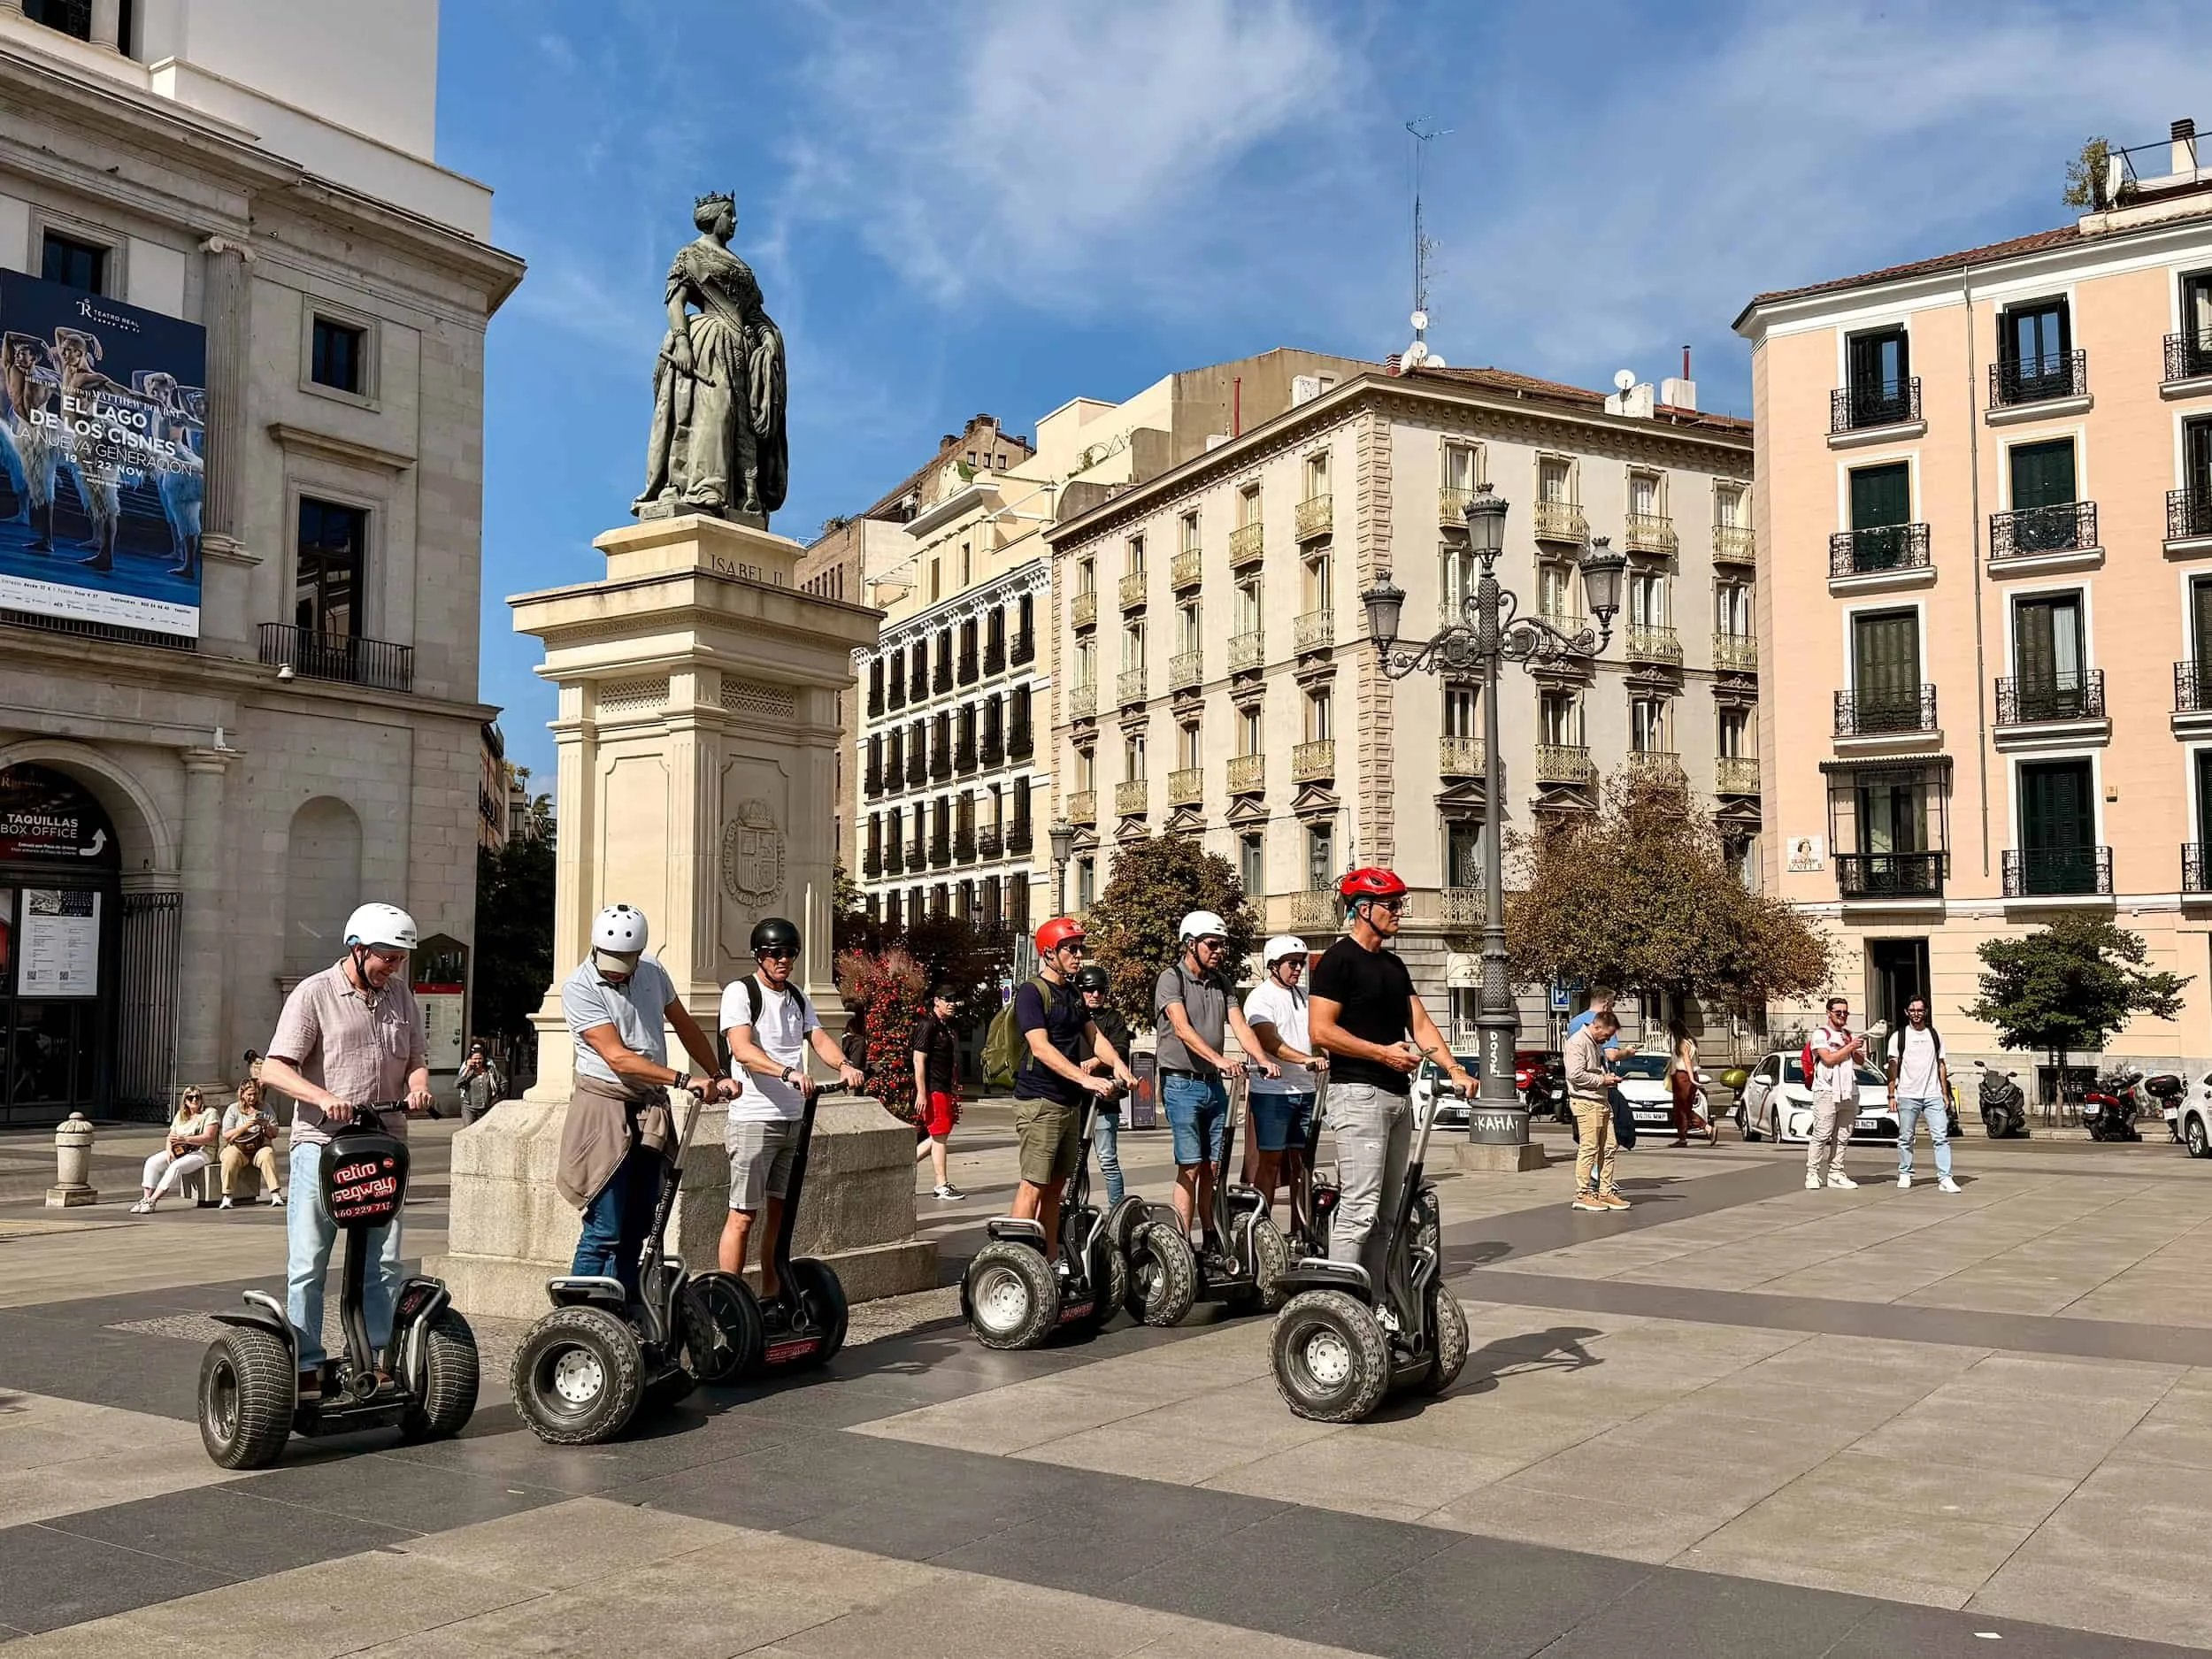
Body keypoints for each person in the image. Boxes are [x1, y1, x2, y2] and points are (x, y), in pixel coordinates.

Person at [258, 904, 436, 1401]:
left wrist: (418, 1086)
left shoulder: (400, 994)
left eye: (400, 958)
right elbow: (273, 1069)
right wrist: (322, 1098)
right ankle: (306, 1364)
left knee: (382, 1263)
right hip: (324, 1146)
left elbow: (418, 1060)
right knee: (309, 1263)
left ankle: (375, 1359)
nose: (394, 967)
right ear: (357, 949)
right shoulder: (314, 994)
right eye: (387, 957)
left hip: (383, 1144)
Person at [556, 904, 735, 1302]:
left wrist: (718, 1072)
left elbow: (685, 1024)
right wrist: (685, 1079)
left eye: (624, 963)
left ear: (638, 955)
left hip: (648, 1105)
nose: (615, 971)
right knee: (606, 1225)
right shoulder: (579, 987)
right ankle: (575, 1317)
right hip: (604, 1106)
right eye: (609, 962)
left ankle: (621, 1306)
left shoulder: (653, 971)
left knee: (640, 1222)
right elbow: (617, 1056)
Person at [1308, 869, 1475, 1280]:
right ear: (1363, 910)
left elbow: (1419, 1024)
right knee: (1359, 1208)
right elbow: (1321, 1031)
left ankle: (1377, 1299)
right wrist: (1383, 1054)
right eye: (1392, 905)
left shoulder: (1394, 965)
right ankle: (1342, 1300)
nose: (1400, 912)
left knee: (1388, 1211)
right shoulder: (1337, 962)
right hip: (1358, 1095)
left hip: (1399, 1098)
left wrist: (1453, 1067)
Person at [718, 917, 864, 1302]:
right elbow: (742, 1049)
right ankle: (727, 1302)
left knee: (780, 1218)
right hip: (753, 1118)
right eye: (775, 954)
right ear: (759, 956)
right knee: (743, 1215)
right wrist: (787, 1072)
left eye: (789, 954)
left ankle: (771, 1297)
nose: (783, 960)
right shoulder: (740, 992)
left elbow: (818, 1037)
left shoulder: (797, 997)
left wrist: (844, 1066)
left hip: (791, 1119)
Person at [1156, 910, 1280, 1250]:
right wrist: (1219, 1059)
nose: (1219, 951)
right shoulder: (1172, 979)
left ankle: (1211, 1236)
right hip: (1181, 1083)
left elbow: (1239, 1025)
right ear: (1190, 944)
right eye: (1213, 944)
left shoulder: (1221, 982)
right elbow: (1181, 1028)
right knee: (1191, 1167)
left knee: (1215, 1165)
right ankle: (1180, 1242)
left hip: (1212, 1085)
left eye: (1222, 945)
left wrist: (1262, 1059)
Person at [1010, 918, 1133, 1262]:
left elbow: (1095, 1038)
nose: (1080, 956)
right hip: (1039, 1102)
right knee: (1033, 1185)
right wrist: (1086, 1079)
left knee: (1055, 1189)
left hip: (1068, 1103)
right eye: (1072, 949)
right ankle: (1017, 1264)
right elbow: (1041, 1048)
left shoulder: (1073, 993)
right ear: (1049, 953)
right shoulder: (1032, 993)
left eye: (1081, 948)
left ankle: (1048, 1261)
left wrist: (1120, 1066)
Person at [1243, 934, 1325, 1220]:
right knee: (1271, 1162)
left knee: (1303, 1164)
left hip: (1305, 1090)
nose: (1298, 969)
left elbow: (1320, 1034)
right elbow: (1268, 1040)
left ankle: (1300, 1229)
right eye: (1292, 964)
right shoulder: (1260, 998)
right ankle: (1260, 1227)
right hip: (1272, 1093)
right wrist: (1307, 1059)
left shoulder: (1304, 996)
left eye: (1301, 964)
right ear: (1274, 965)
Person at [1073, 964, 1133, 1207]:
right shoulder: (1072, 1017)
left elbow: (1120, 1049)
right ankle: (1075, 1208)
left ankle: (1117, 1210)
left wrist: (1096, 1060)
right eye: (1089, 990)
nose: (1095, 995)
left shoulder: (1113, 1019)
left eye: (1100, 990)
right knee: (1076, 1162)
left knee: (1107, 1159)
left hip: (1103, 1102)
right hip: (1075, 1100)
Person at [1887, 996, 1959, 1193]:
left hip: (1933, 1094)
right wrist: (1891, 1095)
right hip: (1908, 1094)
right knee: (1906, 1137)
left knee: (1941, 1136)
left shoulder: (1935, 1035)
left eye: (1920, 1010)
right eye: (1913, 1010)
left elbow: (1941, 1064)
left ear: (1925, 1012)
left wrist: (1945, 1093)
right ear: (1906, 1012)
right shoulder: (1899, 1037)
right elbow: (1893, 1068)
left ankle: (1945, 1177)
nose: (1916, 1014)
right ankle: (1905, 1172)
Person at [1563, 1010, 1628, 1210]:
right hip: (1585, 1101)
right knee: (1589, 1148)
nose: (1607, 1040)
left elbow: (1591, 1071)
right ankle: (1583, 1194)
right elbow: (1575, 1075)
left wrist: (1606, 1078)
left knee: (1609, 1146)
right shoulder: (1577, 1042)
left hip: (1600, 1100)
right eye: (1606, 1035)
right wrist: (1603, 1080)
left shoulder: (1594, 1043)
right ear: (1597, 1026)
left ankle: (1605, 1191)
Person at [1806, 995, 1867, 1191]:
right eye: (1838, 1012)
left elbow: (1860, 1061)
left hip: (1849, 1089)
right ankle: (1812, 1173)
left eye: (1845, 1012)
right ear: (1829, 1013)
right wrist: (1849, 1047)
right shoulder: (1820, 1034)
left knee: (1843, 1135)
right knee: (1822, 1133)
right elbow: (1829, 1059)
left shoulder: (1848, 1034)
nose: (1842, 1016)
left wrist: (1857, 1048)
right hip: (1826, 1090)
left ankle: (1836, 1173)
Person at [910, 983, 964, 1201]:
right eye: (947, 1000)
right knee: (940, 1137)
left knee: (938, 1135)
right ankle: (941, 1185)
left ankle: (903, 1165)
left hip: (942, 1088)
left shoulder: (944, 1026)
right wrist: (922, 1093)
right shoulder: (928, 1025)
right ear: (936, 1001)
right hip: (933, 1089)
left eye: (954, 1000)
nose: (952, 1004)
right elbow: (918, 1059)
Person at [133, 1086, 219, 1213]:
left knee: (176, 1167)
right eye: (190, 1097)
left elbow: (208, 1137)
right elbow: (171, 1137)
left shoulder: (210, 1113)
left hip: (203, 1152)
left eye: (197, 1097)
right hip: (180, 1151)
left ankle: (153, 1200)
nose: (194, 1100)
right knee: (152, 1162)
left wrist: (185, 1139)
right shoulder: (181, 1115)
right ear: (185, 1101)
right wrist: (169, 1151)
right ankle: (146, 1198)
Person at [218, 1079, 283, 1210]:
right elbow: (226, 1134)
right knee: (230, 1156)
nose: (252, 1098)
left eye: (255, 1094)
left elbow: (274, 1133)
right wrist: (245, 1127)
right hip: (239, 1147)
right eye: (249, 1094)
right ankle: (227, 1196)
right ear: (242, 1094)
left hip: (259, 1146)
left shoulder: (266, 1108)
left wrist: (266, 1126)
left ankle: (275, 1194)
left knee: (267, 1154)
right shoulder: (233, 1109)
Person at [1668, 1018, 1713, 1147]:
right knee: (1685, 1108)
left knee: (1681, 1109)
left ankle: (1703, 1129)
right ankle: (1686, 1135)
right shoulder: (1692, 1042)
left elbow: (1687, 1061)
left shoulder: (1682, 1043)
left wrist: (1691, 1078)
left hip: (1683, 1077)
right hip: (1688, 1076)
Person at [457, 1041, 503, 1128]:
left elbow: (501, 1081)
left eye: (479, 1049)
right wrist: (467, 1069)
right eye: (474, 1049)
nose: (477, 1061)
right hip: (469, 1104)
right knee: (469, 1129)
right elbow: (458, 1083)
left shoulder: (489, 1065)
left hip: (486, 1105)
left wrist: (496, 1096)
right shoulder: (466, 1065)